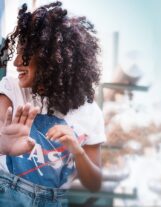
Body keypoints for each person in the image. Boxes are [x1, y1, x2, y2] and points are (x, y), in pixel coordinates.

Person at [0, 1, 106, 206]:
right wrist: (4, 145)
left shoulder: (90, 113)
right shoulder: (11, 89)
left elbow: (94, 184)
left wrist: (78, 151)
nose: (16, 62)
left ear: (52, 58)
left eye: (26, 52)